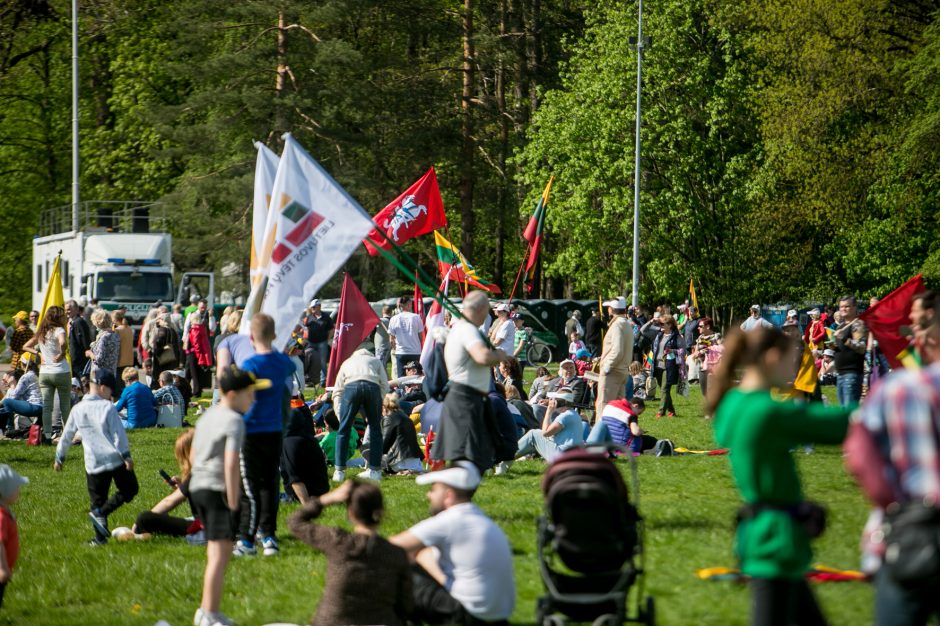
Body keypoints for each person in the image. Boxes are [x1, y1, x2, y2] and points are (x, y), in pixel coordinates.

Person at [707, 328, 853, 626]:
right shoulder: (767, 412)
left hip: (766, 536)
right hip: (775, 541)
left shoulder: (732, 405)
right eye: (792, 359)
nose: (796, 367)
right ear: (772, 357)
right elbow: (840, 424)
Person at [847, 309, 940, 625]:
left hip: (910, 531)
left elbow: (859, 455)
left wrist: (891, 503)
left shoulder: (897, 388)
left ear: (927, 339)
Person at [390, 461, 515, 625]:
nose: (429, 495)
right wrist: (420, 555)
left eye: (434, 490)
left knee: (400, 572)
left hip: (467, 616)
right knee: (418, 557)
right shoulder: (481, 519)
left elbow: (386, 546)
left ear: (448, 496)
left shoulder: (450, 520)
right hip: (497, 617)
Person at [190, 365, 262, 626]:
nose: (252, 399)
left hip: (197, 486)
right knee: (220, 556)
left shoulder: (207, 416)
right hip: (215, 488)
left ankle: (211, 610)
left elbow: (193, 454)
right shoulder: (234, 421)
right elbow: (232, 463)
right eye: (248, 394)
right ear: (232, 394)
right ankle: (208, 613)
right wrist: (234, 503)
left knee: (215, 553)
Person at [288, 480, 412, 626]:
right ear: (381, 512)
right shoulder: (396, 554)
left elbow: (295, 522)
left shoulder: (338, 542)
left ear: (351, 513)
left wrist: (326, 499)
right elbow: (406, 606)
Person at [55, 369, 139, 546]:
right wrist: (126, 455)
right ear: (102, 388)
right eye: (110, 391)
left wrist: (59, 457)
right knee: (130, 489)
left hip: (93, 463)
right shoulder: (107, 407)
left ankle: (99, 538)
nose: (111, 395)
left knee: (97, 499)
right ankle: (102, 512)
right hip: (115, 459)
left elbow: (67, 434)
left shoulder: (77, 409)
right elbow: (118, 435)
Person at [234, 313, 294, 557]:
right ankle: (269, 536)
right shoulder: (282, 362)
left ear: (250, 337)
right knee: (270, 483)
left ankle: (247, 541)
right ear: (275, 335)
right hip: (275, 430)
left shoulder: (250, 365)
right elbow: (288, 367)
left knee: (249, 487)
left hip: (250, 431)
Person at [431, 291, 508, 471]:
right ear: (481, 309)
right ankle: (453, 495)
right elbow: (482, 356)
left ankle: (457, 494)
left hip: (467, 397)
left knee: (472, 458)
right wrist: (500, 355)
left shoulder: (461, 328)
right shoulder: (468, 330)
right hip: (466, 398)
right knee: (467, 459)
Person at [124, 430, 199, 540]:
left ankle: (138, 534)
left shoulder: (197, 475)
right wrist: (183, 488)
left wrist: (138, 523)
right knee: (163, 517)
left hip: (204, 530)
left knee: (145, 518)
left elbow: (168, 502)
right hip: (221, 525)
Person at [331, 345, 389, 482]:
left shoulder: (347, 362)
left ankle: (339, 471)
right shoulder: (376, 361)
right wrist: (376, 403)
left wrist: (341, 416)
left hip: (351, 387)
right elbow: (385, 385)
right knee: (375, 430)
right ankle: (375, 471)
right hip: (373, 387)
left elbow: (337, 391)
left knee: (343, 430)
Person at [22, 304, 70, 441]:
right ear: (57, 317)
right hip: (61, 371)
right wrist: (62, 353)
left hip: (45, 373)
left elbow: (25, 346)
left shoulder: (41, 331)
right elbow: (63, 342)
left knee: (47, 406)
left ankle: (47, 435)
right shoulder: (59, 329)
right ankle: (66, 434)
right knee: (65, 405)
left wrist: (38, 353)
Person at [281, 395, 329, 505]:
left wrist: (306, 505)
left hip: (302, 496)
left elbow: (295, 479)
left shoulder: (289, 443)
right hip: (321, 491)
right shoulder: (310, 439)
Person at [515, 389, 584, 462]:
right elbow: (551, 434)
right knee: (537, 434)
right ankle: (518, 456)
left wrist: (549, 411)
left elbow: (545, 433)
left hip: (562, 456)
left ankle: (508, 454)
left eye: (554, 399)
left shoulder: (565, 416)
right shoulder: (574, 414)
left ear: (558, 402)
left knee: (533, 434)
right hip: (571, 456)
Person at [595, 296, 634, 417]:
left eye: (608, 308)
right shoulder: (626, 324)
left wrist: (607, 366)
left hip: (613, 372)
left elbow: (617, 350)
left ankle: (601, 435)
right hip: (622, 371)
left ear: (611, 309)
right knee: (618, 411)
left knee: (603, 406)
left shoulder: (617, 325)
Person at [831, 295, 868, 407]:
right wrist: (833, 346)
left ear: (854, 307)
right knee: (843, 412)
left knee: (849, 413)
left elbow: (862, 347)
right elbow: (841, 347)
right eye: (841, 307)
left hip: (852, 374)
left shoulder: (858, 324)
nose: (843, 309)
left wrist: (844, 338)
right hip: (840, 374)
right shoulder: (840, 326)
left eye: (847, 306)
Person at [0, 465, 27, 609]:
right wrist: (2, 568)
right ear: (5, 491)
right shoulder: (1, 517)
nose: (19, 490)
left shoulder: (5, 512)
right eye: (16, 487)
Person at [381, 394, 424, 474]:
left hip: (400, 462)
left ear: (384, 407)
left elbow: (384, 444)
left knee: (368, 453)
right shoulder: (405, 417)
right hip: (416, 462)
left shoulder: (388, 418)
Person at [652, 315, 684, 417]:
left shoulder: (677, 337)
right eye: (659, 323)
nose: (660, 325)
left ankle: (661, 412)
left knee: (664, 389)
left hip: (669, 366)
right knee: (663, 389)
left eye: (662, 324)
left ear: (670, 325)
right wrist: (651, 321)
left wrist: (672, 350)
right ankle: (672, 411)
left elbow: (683, 350)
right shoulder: (659, 335)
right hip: (657, 365)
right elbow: (643, 330)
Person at [0, 360, 42, 433]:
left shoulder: (26, 376)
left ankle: (10, 429)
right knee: (6, 406)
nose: (3, 382)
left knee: (7, 402)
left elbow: (13, 397)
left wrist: (12, 386)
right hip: (40, 406)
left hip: (33, 406)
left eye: (5, 380)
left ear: (23, 364)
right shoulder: (34, 375)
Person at [184, 300, 216, 397]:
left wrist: (210, 317)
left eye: (204, 307)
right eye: (201, 307)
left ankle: (195, 390)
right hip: (192, 344)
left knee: (197, 368)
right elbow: (186, 327)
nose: (203, 309)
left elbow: (212, 328)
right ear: (198, 306)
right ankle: (188, 389)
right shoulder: (192, 314)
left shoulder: (209, 316)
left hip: (203, 345)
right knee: (189, 368)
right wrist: (185, 341)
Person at [388, 295, 425, 379]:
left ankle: (402, 391)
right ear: (408, 304)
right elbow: (421, 336)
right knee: (416, 376)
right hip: (415, 351)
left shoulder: (394, 319)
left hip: (401, 352)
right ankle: (415, 391)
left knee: (401, 378)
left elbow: (391, 340)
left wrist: (395, 348)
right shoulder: (416, 317)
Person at [151, 313, 182, 391]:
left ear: (163, 320)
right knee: (169, 379)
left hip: (163, 360)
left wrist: (156, 351)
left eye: (159, 319)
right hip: (172, 359)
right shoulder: (173, 330)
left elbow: (159, 342)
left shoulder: (163, 330)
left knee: (161, 378)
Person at [87, 309, 120, 377]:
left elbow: (99, 360)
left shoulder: (104, 337)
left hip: (101, 375)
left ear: (98, 322)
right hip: (112, 372)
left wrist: (90, 354)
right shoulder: (115, 335)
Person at [65, 299, 93, 379]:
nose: (66, 312)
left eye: (69, 310)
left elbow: (85, 342)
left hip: (78, 361)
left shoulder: (79, 322)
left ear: (76, 309)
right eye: (66, 310)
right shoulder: (71, 321)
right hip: (72, 360)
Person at [112, 309, 135, 390]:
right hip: (129, 360)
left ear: (114, 319)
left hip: (120, 362)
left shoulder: (117, 330)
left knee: (119, 387)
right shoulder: (129, 328)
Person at [374, 304, 394, 370]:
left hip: (382, 347)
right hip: (387, 346)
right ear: (391, 312)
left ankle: (383, 380)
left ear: (383, 311)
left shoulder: (382, 320)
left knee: (380, 366)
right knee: (383, 365)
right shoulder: (392, 321)